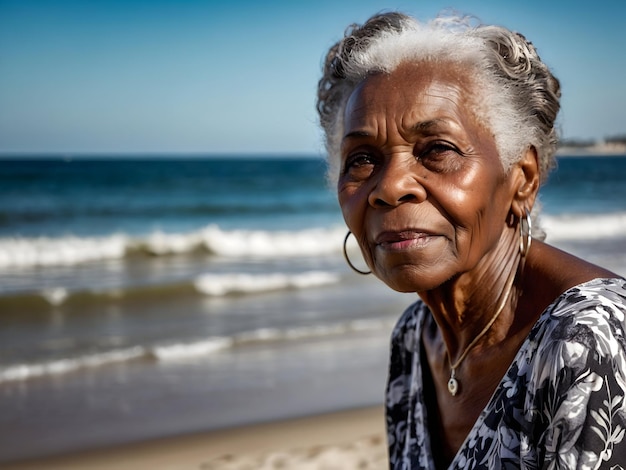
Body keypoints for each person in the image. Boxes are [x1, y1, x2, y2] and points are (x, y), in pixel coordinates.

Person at [316, 11, 626, 469]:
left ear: (522, 178)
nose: (389, 186)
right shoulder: (414, 339)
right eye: (362, 159)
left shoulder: (592, 341)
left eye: (437, 149)